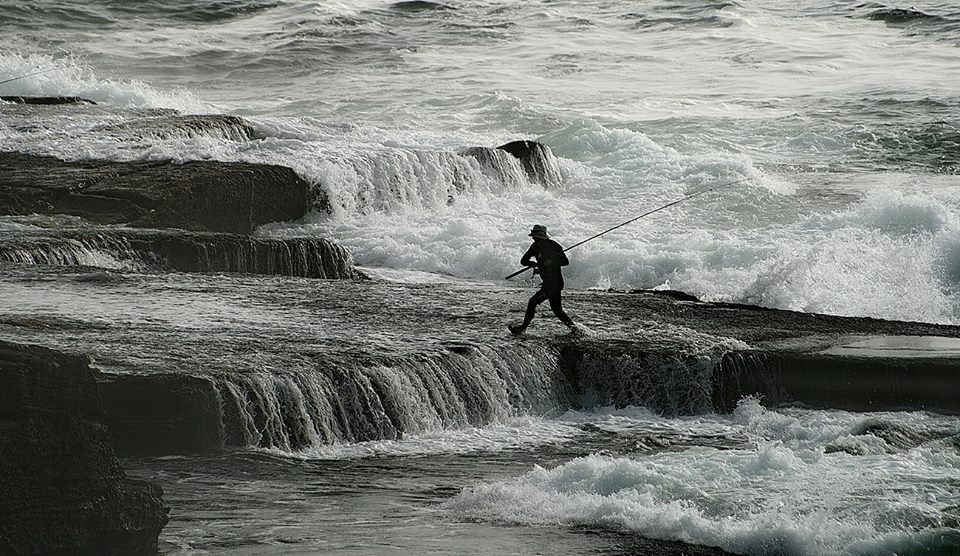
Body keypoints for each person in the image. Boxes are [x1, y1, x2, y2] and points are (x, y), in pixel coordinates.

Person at [509, 224, 576, 334]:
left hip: (555, 282)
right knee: (557, 310)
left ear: (542, 237)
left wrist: (551, 262)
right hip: (547, 282)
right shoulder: (534, 247)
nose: (534, 239)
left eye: (536, 237)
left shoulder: (554, 246)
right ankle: (574, 329)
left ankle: (522, 328)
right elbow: (523, 261)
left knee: (534, 302)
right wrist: (534, 264)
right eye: (534, 237)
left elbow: (565, 262)